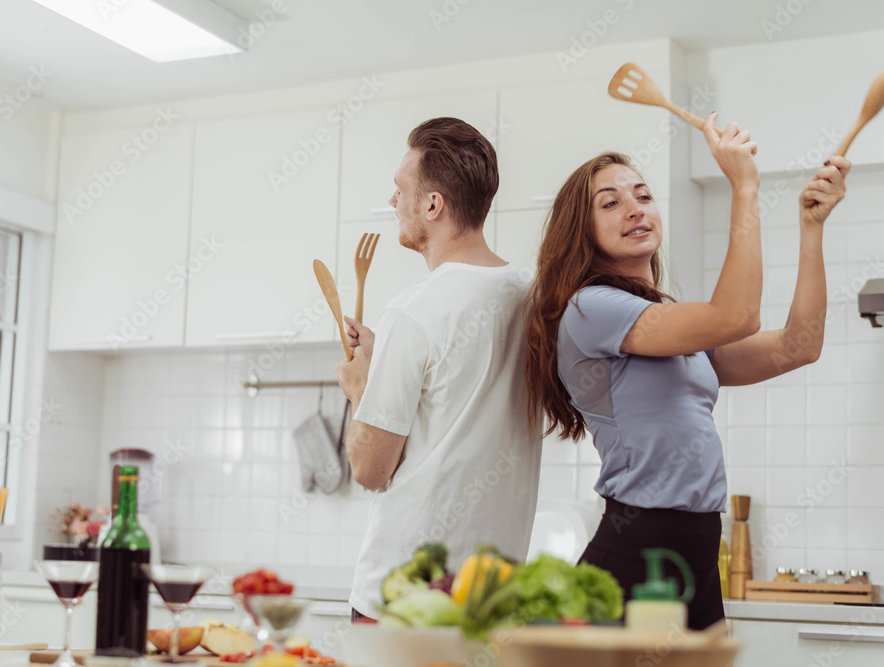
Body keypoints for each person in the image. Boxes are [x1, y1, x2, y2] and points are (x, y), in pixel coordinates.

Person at [523, 113, 849, 630]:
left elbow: (797, 347)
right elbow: (736, 315)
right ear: (579, 230)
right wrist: (744, 186)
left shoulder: (670, 330)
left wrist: (811, 227)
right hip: (638, 547)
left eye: (643, 196)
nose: (634, 209)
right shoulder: (591, 309)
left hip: (696, 548)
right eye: (610, 203)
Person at [334, 117, 541, 621]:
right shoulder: (531, 295)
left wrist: (362, 388)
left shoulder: (413, 310)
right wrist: (388, 354)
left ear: (433, 205)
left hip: (405, 598)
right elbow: (464, 375)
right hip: (492, 596)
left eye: (400, 190)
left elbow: (369, 469)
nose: (392, 203)